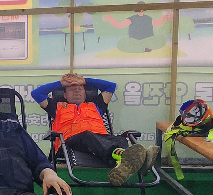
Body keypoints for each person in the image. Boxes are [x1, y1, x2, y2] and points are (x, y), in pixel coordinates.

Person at [30, 72, 158, 185]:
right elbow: (36, 93)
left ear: (85, 93)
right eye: (72, 89)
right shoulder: (57, 107)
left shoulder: (96, 105)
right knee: (87, 135)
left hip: (100, 141)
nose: (77, 90)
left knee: (120, 139)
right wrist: (62, 83)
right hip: (70, 142)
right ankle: (131, 158)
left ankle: (122, 165)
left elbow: (111, 86)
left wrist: (84, 80)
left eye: (80, 88)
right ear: (64, 95)